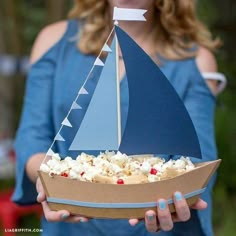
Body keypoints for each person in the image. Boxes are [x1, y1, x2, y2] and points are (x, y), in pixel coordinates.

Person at [12, 0, 226, 235]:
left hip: (159, 225)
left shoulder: (195, 60)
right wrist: (50, 178)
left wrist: (182, 193)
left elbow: (196, 155)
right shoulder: (53, 42)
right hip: (70, 225)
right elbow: (32, 138)